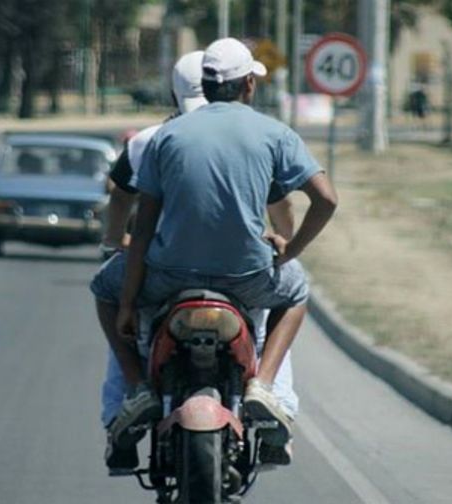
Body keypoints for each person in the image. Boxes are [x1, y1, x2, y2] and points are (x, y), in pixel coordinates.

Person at [93, 39, 336, 471]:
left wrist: (128, 304)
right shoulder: (275, 133)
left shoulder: (166, 136)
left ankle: (136, 388)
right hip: (247, 277)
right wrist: (288, 251)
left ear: (205, 86)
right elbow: (326, 200)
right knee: (296, 291)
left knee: (103, 289)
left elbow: (143, 227)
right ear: (248, 84)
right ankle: (264, 387)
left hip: (168, 275)